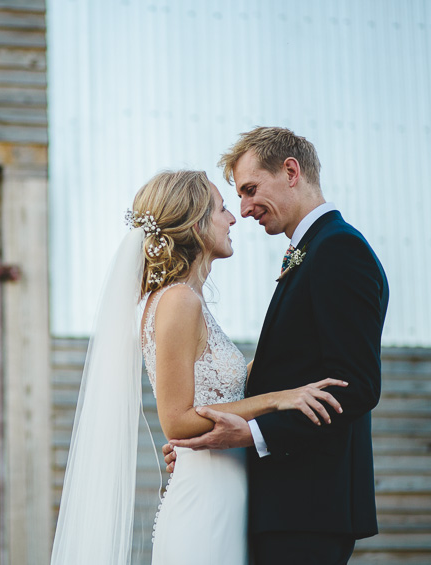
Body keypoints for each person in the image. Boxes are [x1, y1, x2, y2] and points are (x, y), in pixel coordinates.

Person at [50, 169, 348, 565]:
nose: (233, 218)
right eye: (222, 209)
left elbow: (219, 391)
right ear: (195, 224)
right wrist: (279, 399)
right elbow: (177, 421)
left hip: (227, 492)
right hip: (205, 502)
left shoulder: (188, 300)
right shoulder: (178, 301)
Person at [164, 127, 389, 565]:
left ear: (290, 171)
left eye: (250, 190)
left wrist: (249, 434)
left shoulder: (339, 250)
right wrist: (205, 436)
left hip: (308, 508)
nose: (244, 210)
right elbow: (285, 373)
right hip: (282, 504)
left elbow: (356, 386)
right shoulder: (312, 251)